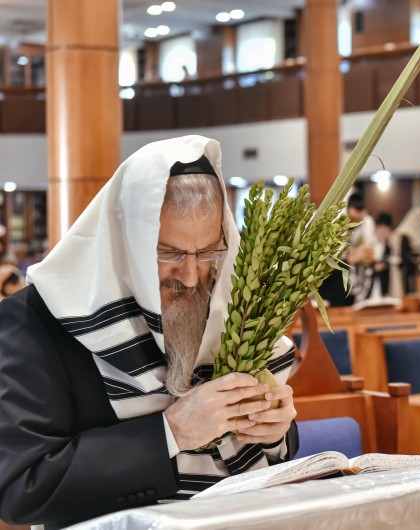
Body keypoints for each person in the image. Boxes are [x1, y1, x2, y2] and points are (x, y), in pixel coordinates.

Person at [0, 136, 298, 528]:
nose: (191, 277)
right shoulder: (37, 320)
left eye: (209, 252)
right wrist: (170, 432)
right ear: (125, 242)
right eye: (168, 254)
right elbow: (22, 488)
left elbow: (269, 449)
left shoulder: (228, 308)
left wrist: (273, 430)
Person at [389, 207, 420, 297]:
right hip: (402, 272)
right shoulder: (404, 235)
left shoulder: (407, 234)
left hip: (406, 272)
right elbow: (404, 257)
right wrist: (415, 261)